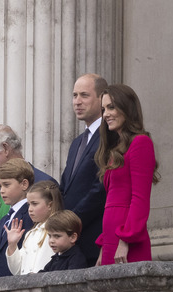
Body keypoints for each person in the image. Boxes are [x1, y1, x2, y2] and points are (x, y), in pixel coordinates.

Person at [95, 84, 159, 265]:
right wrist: (103, 246)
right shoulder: (116, 150)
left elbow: (140, 199)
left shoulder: (141, 143)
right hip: (111, 240)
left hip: (127, 241)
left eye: (111, 107)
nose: (105, 114)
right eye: (103, 109)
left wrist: (126, 239)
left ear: (127, 108)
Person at [60, 74, 108, 267]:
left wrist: (70, 221)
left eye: (84, 95)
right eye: (74, 95)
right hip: (72, 243)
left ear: (102, 98)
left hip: (93, 240)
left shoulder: (109, 136)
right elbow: (65, 186)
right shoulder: (77, 142)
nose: (77, 102)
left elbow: (100, 188)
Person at [5, 180, 64, 275]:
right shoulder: (30, 234)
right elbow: (17, 270)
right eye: (29, 204)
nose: (30, 209)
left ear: (50, 205)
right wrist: (12, 245)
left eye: (35, 204)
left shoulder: (59, 230)